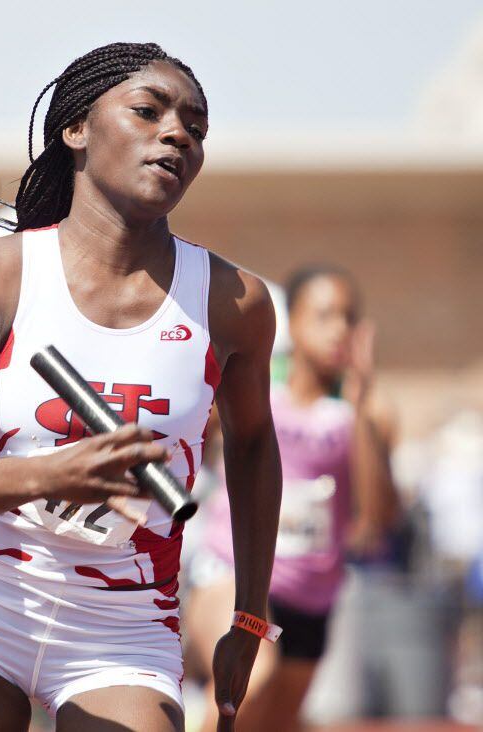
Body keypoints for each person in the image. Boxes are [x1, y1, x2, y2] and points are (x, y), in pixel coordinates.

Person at [0, 42, 282, 732]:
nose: (176, 134)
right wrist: (55, 472)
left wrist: (249, 617)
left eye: (195, 128)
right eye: (148, 110)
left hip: (126, 629)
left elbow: (255, 448)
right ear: (76, 129)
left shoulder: (234, 301)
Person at [184, 265, 400, 731]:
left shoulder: (361, 415)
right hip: (235, 576)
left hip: (313, 599)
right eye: (324, 316)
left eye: (348, 317)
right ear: (292, 323)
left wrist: (362, 402)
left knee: (274, 723)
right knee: (250, 682)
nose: (338, 330)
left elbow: (380, 516)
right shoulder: (256, 393)